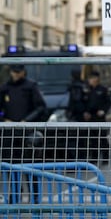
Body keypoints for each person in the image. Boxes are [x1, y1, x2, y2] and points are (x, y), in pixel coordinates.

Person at [0, 64, 47, 203]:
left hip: (28, 134)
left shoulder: (31, 86)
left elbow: (40, 107)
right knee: (11, 167)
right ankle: (15, 195)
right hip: (10, 133)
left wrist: (26, 120)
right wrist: (4, 119)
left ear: (23, 72)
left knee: (31, 167)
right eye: (14, 71)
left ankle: (35, 197)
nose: (15, 74)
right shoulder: (5, 87)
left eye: (18, 72)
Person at [83, 71, 111, 165]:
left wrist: (103, 111)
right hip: (91, 117)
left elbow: (108, 102)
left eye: (91, 78)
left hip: (99, 117)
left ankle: (105, 158)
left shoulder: (103, 89)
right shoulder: (88, 90)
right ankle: (94, 159)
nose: (89, 80)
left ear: (96, 79)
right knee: (93, 139)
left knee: (102, 138)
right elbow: (85, 102)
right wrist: (86, 112)